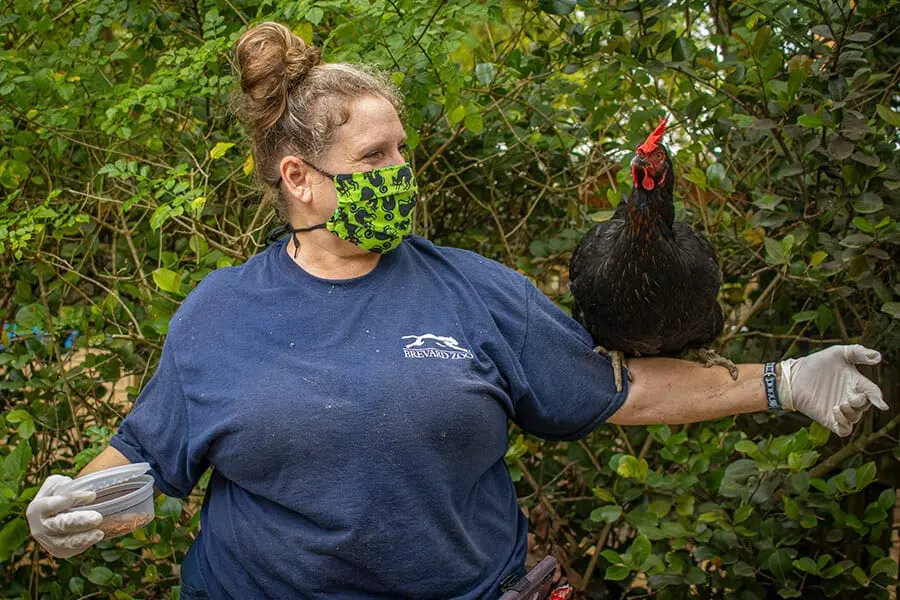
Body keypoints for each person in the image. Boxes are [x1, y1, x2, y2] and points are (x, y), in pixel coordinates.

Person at [26, 21, 888, 600]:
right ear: (300, 179)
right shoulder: (219, 314)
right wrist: (79, 508)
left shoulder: (472, 289)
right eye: (376, 154)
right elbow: (144, 459)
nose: (402, 170)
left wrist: (785, 382)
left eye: (404, 148)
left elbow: (619, 388)